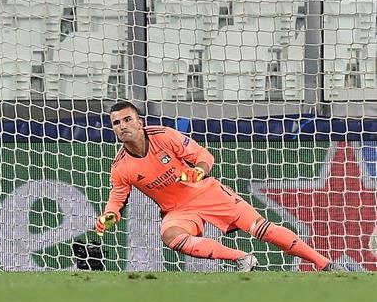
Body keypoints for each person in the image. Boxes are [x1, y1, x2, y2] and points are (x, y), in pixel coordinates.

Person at [97, 101, 340, 272]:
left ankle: (324, 263)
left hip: (206, 192)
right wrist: (109, 215)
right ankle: (242, 258)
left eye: (127, 119)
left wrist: (199, 170)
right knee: (170, 236)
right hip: (177, 211)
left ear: (139, 122)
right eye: (116, 123)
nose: (122, 126)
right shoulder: (121, 167)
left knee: (260, 229)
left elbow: (204, 155)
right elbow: (116, 200)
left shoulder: (164, 135)